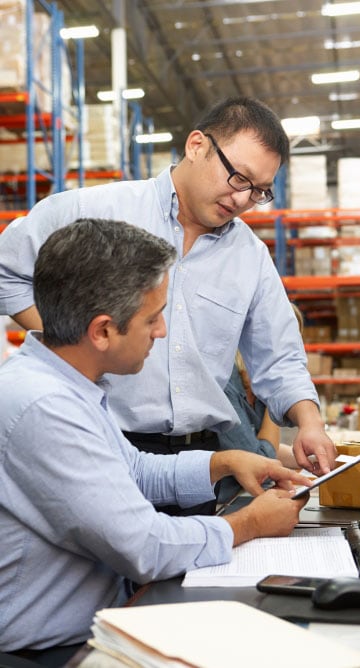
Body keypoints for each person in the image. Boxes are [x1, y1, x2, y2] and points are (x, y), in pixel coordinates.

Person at [0, 96, 336, 517]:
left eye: (260, 191)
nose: (243, 200)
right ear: (197, 145)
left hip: (198, 468)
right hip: (100, 445)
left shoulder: (250, 257)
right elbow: (5, 270)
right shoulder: (96, 211)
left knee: (183, 577)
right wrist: (73, 338)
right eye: (239, 178)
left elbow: (280, 356)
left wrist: (310, 422)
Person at [0, 218, 310, 663]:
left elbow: (135, 471)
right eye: (152, 318)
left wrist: (224, 462)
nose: (162, 332)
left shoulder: (68, 384)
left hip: (97, 624)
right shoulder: (45, 405)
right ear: (103, 331)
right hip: (47, 653)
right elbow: (145, 547)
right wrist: (252, 524)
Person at [218, 304, 303, 502]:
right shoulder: (225, 381)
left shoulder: (254, 388)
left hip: (242, 496)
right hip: (219, 505)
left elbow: (259, 444)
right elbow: (261, 459)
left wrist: (316, 460)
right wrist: (275, 396)